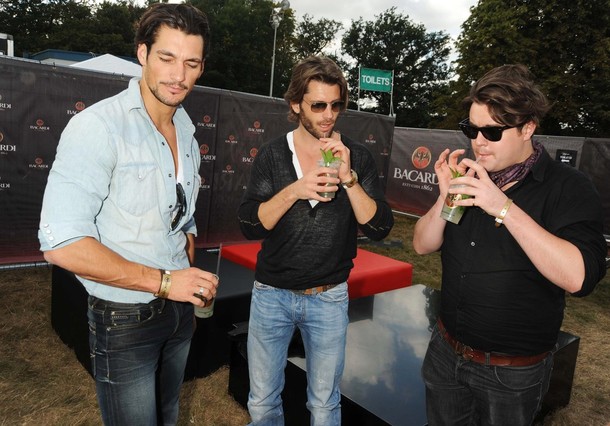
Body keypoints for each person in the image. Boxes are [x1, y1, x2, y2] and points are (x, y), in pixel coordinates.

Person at [38, 4, 218, 424]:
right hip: (124, 318)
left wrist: (184, 284)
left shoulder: (188, 131)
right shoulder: (99, 127)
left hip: (178, 311)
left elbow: (182, 219)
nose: (178, 75)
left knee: (168, 414)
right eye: (167, 57)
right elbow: (61, 244)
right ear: (142, 53)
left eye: (191, 63)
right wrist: (167, 282)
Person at [413, 64, 607, 425]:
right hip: (444, 352)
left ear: (527, 128)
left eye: (492, 131)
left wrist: (502, 206)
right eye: (471, 129)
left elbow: (579, 277)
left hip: (511, 375)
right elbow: (422, 245)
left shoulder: (568, 187)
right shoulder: (467, 177)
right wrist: (445, 197)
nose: (478, 141)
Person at [238, 55, 394, 425]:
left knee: (324, 406)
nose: (329, 115)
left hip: (329, 297)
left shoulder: (356, 156)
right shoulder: (273, 154)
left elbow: (380, 228)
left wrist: (350, 178)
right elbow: (250, 224)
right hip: (271, 295)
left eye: (336, 105)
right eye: (318, 105)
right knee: (262, 403)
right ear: (296, 104)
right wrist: (295, 190)